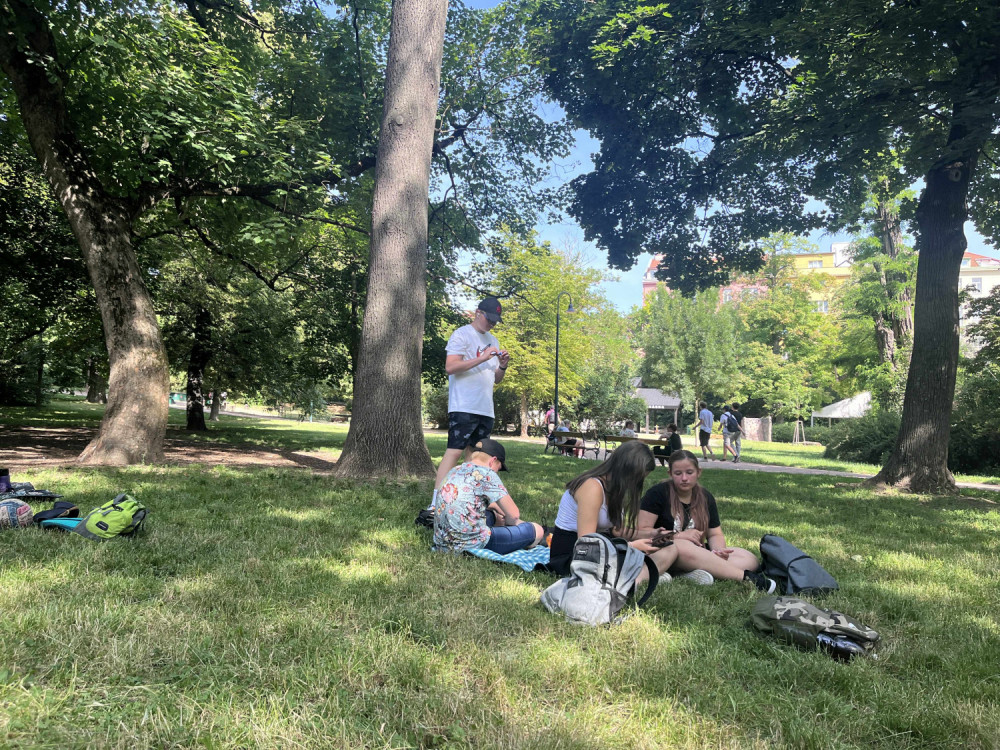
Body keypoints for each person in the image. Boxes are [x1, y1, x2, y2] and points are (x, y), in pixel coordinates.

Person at [636, 450, 776, 591]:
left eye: (689, 472)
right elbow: (642, 532)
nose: (684, 478)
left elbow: (715, 534)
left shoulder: (705, 497)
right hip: (665, 551)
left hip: (698, 551)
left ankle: (689, 573)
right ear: (670, 474)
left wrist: (719, 551)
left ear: (699, 472)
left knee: (749, 559)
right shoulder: (657, 493)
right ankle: (747, 579)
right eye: (678, 473)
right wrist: (678, 536)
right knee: (682, 546)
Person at [547, 441, 677, 586]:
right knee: (643, 555)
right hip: (573, 554)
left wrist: (651, 534)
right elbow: (587, 544)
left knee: (669, 549)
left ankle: (644, 573)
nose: (636, 484)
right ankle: (637, 580)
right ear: (626, 471)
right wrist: (631, 547)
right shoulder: (591, 487)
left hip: (601, 548)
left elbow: (616, 531)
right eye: (637, 479)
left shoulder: (614, 488)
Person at [428, 297, 510, 513]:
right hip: (464, 405)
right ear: (478, 313)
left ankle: (466, 502)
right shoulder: (462, 334)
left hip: (486, 408)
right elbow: (451, 367)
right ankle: (436, 503)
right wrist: (482, 358)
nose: (492, 324)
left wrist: (502, 366)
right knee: (454, 452)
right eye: (489, 319)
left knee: (475, 457)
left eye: (495, 321)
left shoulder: (493, 340)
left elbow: (496, 379)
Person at [432, 439, 544, 554]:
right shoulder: (487, 474)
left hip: (443, 542)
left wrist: (496, 510)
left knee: (493, 515)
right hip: (471, 544)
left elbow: (467, 501)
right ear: (493, 461)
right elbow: (514, 515)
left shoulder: (455, 470)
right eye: (498, 468)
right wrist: (515, 523)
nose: (497, 472)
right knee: (537, 530)